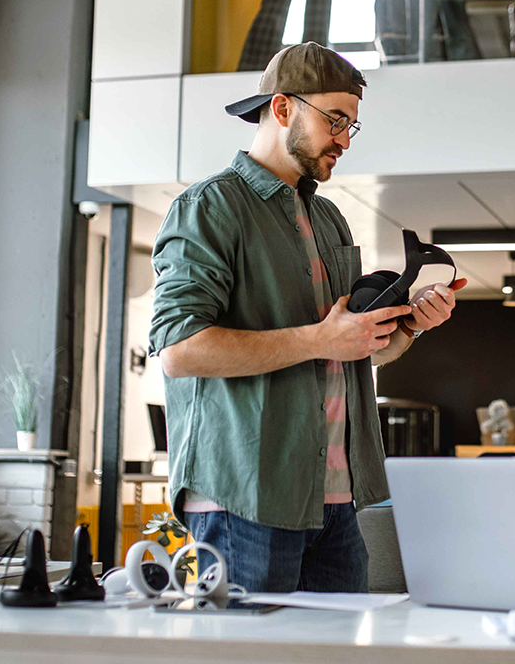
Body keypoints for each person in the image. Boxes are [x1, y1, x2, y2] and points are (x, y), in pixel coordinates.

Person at [151, 42, 466, 593]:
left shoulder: (330, 219)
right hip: (244, 498)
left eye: (353, 125)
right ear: (281, 108)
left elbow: (354, 351)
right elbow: (180, 350)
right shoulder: (209, 208)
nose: (345, 138)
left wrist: (407, 326)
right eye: (336, 119)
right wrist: (321, 339)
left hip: (336, 503)